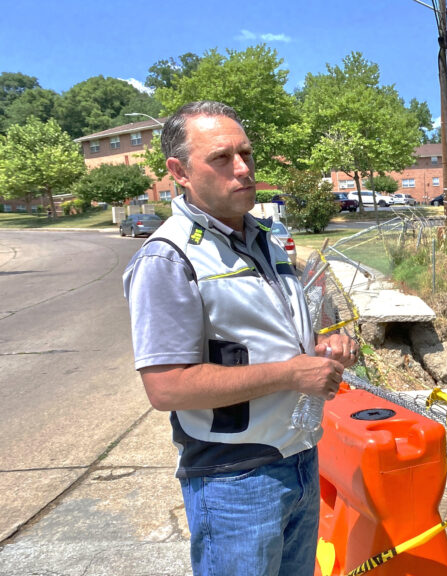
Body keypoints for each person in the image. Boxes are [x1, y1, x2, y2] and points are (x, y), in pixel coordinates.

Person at [122, 101, 359, 576]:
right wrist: (293, 373)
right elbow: (166, 386)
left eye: (247, 153)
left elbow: (269, 337)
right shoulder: (168, 258)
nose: (244, 169)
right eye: (222, 158)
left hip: (300, 457)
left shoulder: (266, 240)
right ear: (180, 172)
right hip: (235, 481)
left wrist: (325, 347)